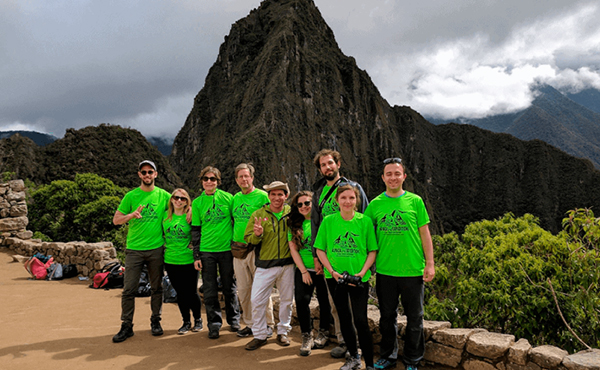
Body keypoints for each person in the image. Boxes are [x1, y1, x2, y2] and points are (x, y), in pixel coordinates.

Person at [364, 157, 435, 370]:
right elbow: (365, 236)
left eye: (397, 173)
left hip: (413, 270)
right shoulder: (375, 205)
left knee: (415, 319)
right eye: (389, 174)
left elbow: (425, 234)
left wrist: (429, 263)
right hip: (386, 271)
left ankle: (413, 359)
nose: (393, 177)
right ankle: (388, 356)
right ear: (383, 178)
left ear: (404, 176)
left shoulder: (415, 201)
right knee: (387, 318)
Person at [311, 149, 369, 357]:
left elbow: (366, 220)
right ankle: (346, 342)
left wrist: (368, 261)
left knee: (356, 306)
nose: (328, 167)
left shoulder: (353, 188)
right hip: (331, 260)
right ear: (320, 169)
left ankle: (359, 346)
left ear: (338, 164)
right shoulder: (318, 193)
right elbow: (315, 225)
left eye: (330, 163)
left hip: (354, 258)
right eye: (323, 165)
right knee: (337, 305)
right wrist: (317, 256)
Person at [314, 184, 378, 370]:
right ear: (337, 200)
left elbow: (372, 250)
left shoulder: (364, 221)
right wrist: (332, 271)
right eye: (343, 198)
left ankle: (370, 364)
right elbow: (320, 249)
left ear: (356, 200)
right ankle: (353, 358)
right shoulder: (328, 221)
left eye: (351, 198)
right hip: (335, 278)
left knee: (360, 320)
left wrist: (362, 272)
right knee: (344, 319)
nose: (347, 201)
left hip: (359, 278)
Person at [112, 160, 171, 343]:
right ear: (139, 174)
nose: (147, 175)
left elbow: (181, 208)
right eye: (143, 172)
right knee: (129, 289)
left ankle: (156, 321)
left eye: (150, 172)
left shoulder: (164, 196)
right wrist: (131, 216)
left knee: (157, 288)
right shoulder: (131, 196)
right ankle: (126, 325)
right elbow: (116, 220)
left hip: (156, 249)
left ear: (156, 174)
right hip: (134, 250)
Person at [243, 181, 294, 351]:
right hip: (265, 265)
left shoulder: (291, 212)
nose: (277, 197)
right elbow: (248, 237)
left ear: (286, 196)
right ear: (268, 196)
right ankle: (260, 335)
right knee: (257, 300)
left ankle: (283, 331)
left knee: (286, 300)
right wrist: (257, 235)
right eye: (273, 194)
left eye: (280, 194)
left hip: (287, 264)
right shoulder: (258, 214)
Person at [191, 166, 240, 339]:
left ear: (218, 181)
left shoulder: (229, 198)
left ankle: (234, 319)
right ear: (202, 181)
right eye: (206, 179)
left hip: (227, 250)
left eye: (213, 179)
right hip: (207, 251)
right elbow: (195, 230)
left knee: (230, 287)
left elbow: (236, 221)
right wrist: (196, 255)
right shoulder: (197, 203)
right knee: (210, 289)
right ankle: (214, 323)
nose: (209, 182)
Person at [231, 163, 275, 338]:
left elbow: (272, 219)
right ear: (236, 180)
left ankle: (268, 324)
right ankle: (250, 324)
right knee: (244, 290)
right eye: (240, 176)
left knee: (262, 289)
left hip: (258, 249)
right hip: (239, 251)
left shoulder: (262, 196)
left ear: (252, 177)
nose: (244, 179)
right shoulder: (235, 199)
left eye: (246, 176)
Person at [288, 190, 332, 356]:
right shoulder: (295, 224)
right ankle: (306, 335)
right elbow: (293, 249)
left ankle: (324, 332)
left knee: (324, 301)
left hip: (323, 269)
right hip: (304, 269)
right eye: (300, 204)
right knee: (301, 300)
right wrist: (304, 271)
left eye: (307, 203)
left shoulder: (323, 221)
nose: (304, 206)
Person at [162, 188, 203, 334]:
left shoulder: (190, 216)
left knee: (191, 292)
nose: (179, 201)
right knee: (180, 293)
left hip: (188, 260)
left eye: (183, 199)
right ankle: (186, 321)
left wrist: (197, 254)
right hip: (171, 260)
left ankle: (198, 319)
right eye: (176, 198)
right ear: (171, 199)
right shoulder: (165, 217)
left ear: (187, 202)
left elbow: (199, 234)